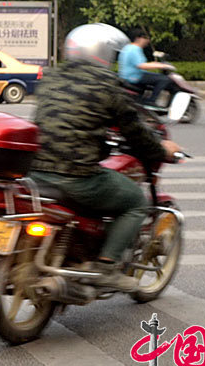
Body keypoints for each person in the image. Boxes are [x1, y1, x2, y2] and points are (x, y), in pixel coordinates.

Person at [29, 23, 182, 291]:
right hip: (75, 176)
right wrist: (162, 150)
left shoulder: (51, 77)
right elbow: (135, 133)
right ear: (105, 53)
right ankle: (107, 266)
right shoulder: (107, 83)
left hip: (34, 172)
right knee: (135, 201)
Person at [118, 27, 175, 105]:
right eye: (145, 38)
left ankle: (145, 100)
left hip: (128, 76)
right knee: (165, 79)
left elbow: (139, 63)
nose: (147, 41)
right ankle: (151, 101)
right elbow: (141, 65)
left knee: (155, 78)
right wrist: (162, 66)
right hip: (134, 76)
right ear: (138, 38)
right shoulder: (134, 49)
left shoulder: (128, 48)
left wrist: (156, 64)